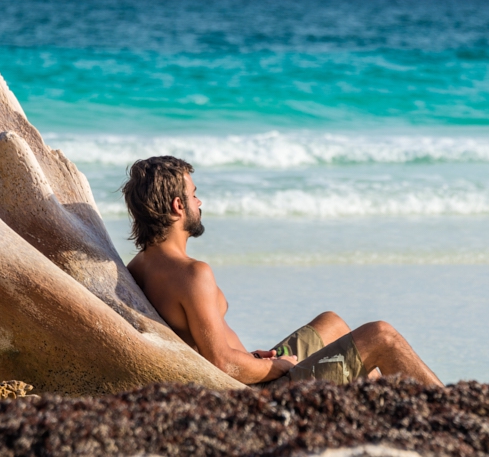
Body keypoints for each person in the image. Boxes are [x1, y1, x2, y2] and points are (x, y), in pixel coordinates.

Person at [122, 156, 443, 388]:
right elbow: (223, 365)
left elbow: (207, 348)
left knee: (331, 323)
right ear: (179, 206)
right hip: (259, 394)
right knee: (381, 335)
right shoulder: (193, 274)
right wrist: (276, 366)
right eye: (193, 195)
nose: (199, 201)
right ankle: (446, 410)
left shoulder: (139, 266)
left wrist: (251, 358)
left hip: (250, 369)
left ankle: (374, 403)